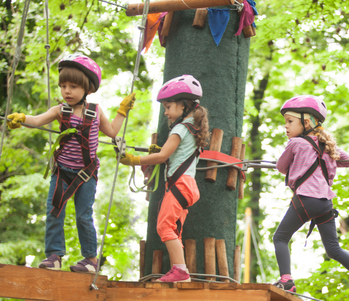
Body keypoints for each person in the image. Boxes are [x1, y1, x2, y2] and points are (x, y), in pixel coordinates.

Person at [6, 53, 135, 273]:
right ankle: (55, 256)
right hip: (62, 172)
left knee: (84, 215)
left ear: (88, 89)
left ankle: (91, 261)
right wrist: (22, 118)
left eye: (73, 86)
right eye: (63, 85)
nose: (67, 91)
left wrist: (122, 112)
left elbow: (112, 132)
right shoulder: (59, 111)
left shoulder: (95, 112)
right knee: (54, 211)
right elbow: (37, 120)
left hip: (86, 174)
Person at [273, 95, 349, 300]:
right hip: (325, 204)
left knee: (280, 237)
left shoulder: (295, 144)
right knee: (333, 248)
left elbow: (280, 167)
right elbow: (348, 161)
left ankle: (286, 280)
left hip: (305, 200)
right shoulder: (326, 147)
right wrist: (327, 151)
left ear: (306, 122)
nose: (285, 126)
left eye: (290, 121)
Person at [119, 75, 209, 283]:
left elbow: (162, 156)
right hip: (187, 186)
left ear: (184, 105)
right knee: (173, 229)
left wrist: (133, 159)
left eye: (168, 106)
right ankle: (179, 270)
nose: (166, 112)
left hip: (180, 185)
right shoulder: (191, 128)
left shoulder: (179, 129)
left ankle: (180, 271)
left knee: (164, 227)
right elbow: (171, 154)